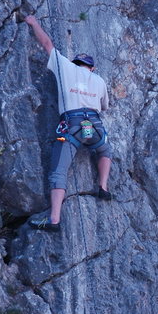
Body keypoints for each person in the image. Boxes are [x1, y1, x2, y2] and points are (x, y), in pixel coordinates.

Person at [24, 15, 113, 233]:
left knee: (58, 171)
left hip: (70, 126)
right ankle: (103, 186)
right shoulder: (99, 80)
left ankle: (54, 219)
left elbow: (47, 44)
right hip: (93, 125)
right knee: (104, 149)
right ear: (91, 68)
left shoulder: (65, 67)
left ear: (75, 64)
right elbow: (105, 107)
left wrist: (34, 23)